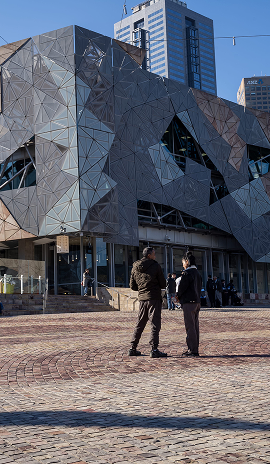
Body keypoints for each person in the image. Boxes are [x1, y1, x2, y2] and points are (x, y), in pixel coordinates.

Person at [129, 247, 167, 358]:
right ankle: (154, 349)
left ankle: (132, 348)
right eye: (154, 254)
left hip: (142, 299)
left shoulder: (135, 267)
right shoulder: (155, 266)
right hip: (154, 298)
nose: (155, 256)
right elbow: (163, 284)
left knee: (140, 323)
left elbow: (132, 286)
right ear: (149, 255)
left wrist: (142, 289)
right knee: (155, 324)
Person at [177, 252, 202, 357]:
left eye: (183, 262)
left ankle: (192, 350)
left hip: (188, 302)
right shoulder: (198, 273)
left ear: (187, 262)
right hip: (197, 302)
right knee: (195, 326)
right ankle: (195, 347)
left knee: (190, 326)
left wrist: (178, 296)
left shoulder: (187, 273)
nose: (183, 264)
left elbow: (182, 288)